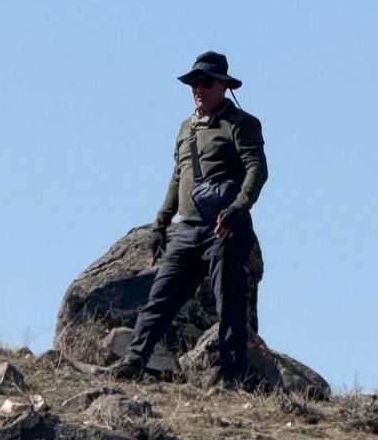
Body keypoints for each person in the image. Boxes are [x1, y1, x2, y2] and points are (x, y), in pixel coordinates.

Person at [113, 51, 268, 387]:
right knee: (160, 298)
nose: (198, 88)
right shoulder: (185, 129)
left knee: (229, 304)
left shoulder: (242, 125)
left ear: (223, 87)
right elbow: (177, 175)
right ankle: (132, 363)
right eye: (194, 83)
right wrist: (161, 222)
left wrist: (237, 207)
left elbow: (258, 170)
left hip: (225, 229)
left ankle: (231, 376)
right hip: (187, 229)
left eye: (206, 82)